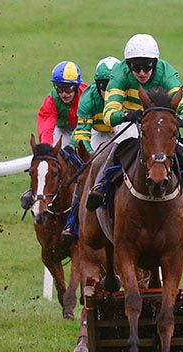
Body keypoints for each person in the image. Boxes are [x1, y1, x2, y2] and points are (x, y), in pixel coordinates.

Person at [86, 34, 183, 218]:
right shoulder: (120, 74)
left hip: (158, 122)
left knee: (178, 149)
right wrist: (128, 115)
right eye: (136, 67)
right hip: (130, 120)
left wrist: (180, 120)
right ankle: (101, 186)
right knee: (117, 147)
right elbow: (109, 115)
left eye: (147, 66)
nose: (142, 72)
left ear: (155, 63)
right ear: (128, 65)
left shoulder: (166, 72)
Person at [60, 56, 121, 239]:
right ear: (97, 84)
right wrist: (91, 156)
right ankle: (73, 221)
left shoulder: (128, 94)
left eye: (111, 86)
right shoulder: (89, 97)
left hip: (121, 132)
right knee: (85, 173)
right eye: (103, 86)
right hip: (99, 134)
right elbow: (82, 132)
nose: (107, 91)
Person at [20, 61, 88, 211]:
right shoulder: (51, 101)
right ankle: (37, 191)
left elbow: (84, 123)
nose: (64, 93)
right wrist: (48, 150)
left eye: (68, 88)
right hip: (63, 129)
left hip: (86, 128)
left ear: (77, 86)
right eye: (60, 88)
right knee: (48, 160)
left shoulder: (85, 96)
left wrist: (73, 145)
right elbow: (47, 128)